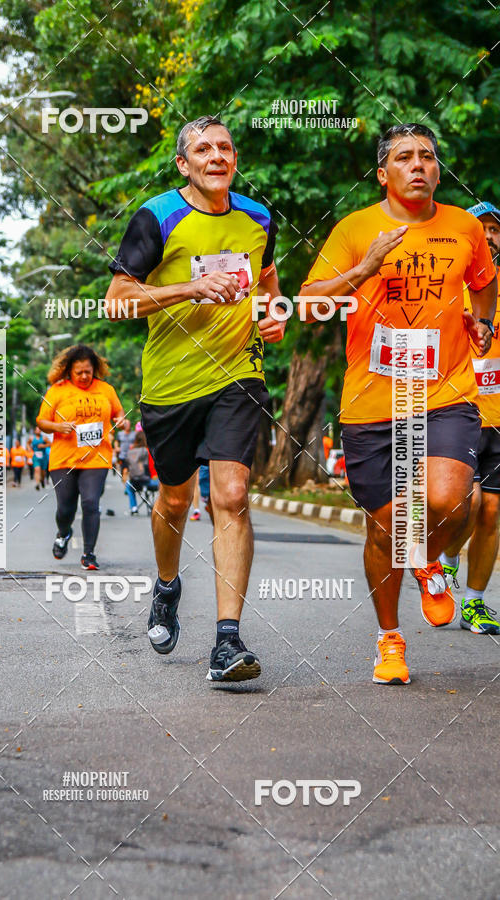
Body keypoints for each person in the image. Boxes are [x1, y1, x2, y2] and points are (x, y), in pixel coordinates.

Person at [300, 123, 497, 685]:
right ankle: (390, 638)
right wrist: (364, 269)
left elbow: (484, 282)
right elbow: (309, 306)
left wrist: (482, 321)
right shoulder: (355, 228)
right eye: (405, 157)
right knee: (385, 532)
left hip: (444, 392)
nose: (418, 165)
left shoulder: (464, 227)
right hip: (373, 402)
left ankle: (428, 559)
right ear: (383, 174)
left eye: (427, 156)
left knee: (452, 499)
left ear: (437, 170)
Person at [106, 114, 285, 682]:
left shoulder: (258, 218)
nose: (217, 156)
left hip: (238, 376)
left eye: (225, 147)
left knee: (231, 495)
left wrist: (274, 313)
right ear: (184, 164)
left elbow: (268, 283)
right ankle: (166, 586)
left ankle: (227, 641)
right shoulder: (157, 217)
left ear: (234, 159)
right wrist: (189, 287)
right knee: (176, 500)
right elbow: (117, 300)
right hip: (171, 385)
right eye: (203, 150)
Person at [439, 201, 500, 635]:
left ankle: (474, 604)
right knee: (469, 502)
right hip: (456, 411)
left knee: (492, 511)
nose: (490, 236)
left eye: (496, 230)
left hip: (498, 418)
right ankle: (447, 558)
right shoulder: (445, 286)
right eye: (482, 229)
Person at [36, 344, 124, 570]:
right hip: (63, 459)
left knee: (91, 502)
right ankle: (64, 532)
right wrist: (58, 427)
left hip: (97, 457)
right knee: (66, 508)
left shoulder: (106, 389)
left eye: (88, 371)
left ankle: (89, 554)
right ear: (69, 371)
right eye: (79, 372)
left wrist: (122, 421)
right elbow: (41, 421)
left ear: (94, 369)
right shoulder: (57, 391)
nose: (84, 376)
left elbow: (118, 412)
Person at [124, 431, 159, 514]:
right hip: (149, 481)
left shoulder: (132, 451)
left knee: (128, 485)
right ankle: (155, 506)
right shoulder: (148, 451)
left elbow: (128, 467)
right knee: (162, 485)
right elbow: (152, 468)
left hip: (135, 482)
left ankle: (134, 507)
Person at [32, 425, 49, 490]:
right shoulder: (31, 438)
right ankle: (37, 484)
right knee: (37, 469)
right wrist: (28, 447)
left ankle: (42, 480)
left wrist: (43, 446)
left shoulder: (44, 438)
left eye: (39, 430)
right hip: (36, 457)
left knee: (43, 472)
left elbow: (50, 444)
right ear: (34, 431)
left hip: (43, 457)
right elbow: (28, 443)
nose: (38, 431)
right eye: (37, 430)